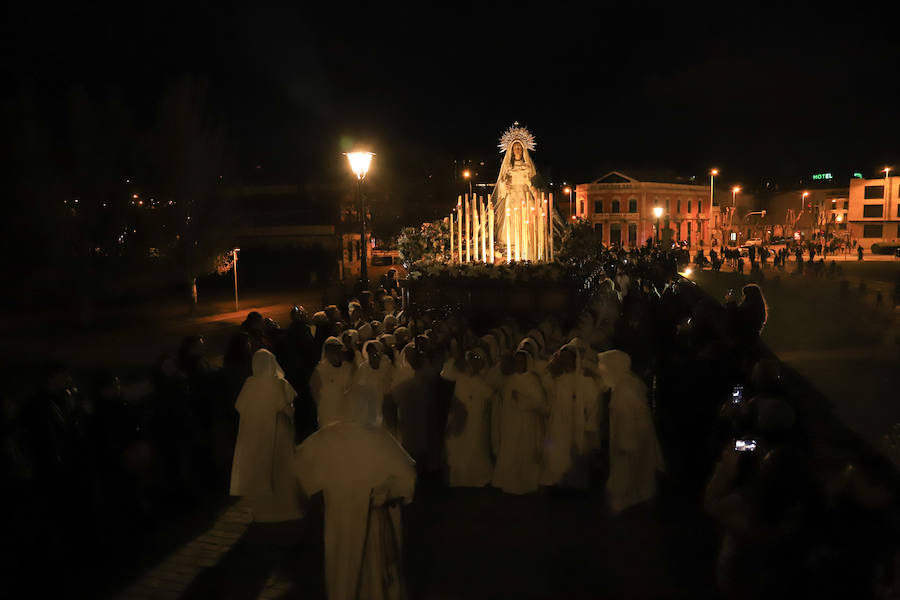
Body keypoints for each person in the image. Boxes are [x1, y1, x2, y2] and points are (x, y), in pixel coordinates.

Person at [294, 405, 416, 600]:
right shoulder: (380, 439)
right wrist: (386, 492)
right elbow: (407, 476)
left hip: (338, 516)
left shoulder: (327, 436)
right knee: (373, 565)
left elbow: (301, 463)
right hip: (373, 516)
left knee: (343, 565)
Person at [229, 349, 303, 523]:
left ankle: (262, 511)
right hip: (278, 435)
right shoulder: (279, 384)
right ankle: (284, 509)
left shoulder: (249, 384)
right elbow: (288, 409)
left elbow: (240, 407)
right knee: (280, 470)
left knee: (260, 469)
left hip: (255, 437)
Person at [597, 349, 664, 514]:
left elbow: (627, 420)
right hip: (636, 441)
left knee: (626, 475)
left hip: (629, 443)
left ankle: (622, 505)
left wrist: (625, 444)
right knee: (638, 473)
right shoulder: (628, 383)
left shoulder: (623, 392)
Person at [540, 344, 599, 489]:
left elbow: (591, 404)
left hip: (575, 424)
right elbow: (547, 394)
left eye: (568, 358)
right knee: (555, 454)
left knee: (572, 456)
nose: (565, 362)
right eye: (563, 358)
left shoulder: (583, 380)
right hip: (556, 423)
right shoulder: (557, 379)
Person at [492, 348, 547, 494]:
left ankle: (525, 484)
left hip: (526, 422)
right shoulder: (509, 378)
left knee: (525, 452)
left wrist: (521, 399)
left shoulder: (532, 379)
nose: (519, 364)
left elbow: (539, 401)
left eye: (521, 362)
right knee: (510, 450)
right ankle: (508, 483)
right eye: (516, 362)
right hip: (510, 421)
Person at [444, 349, 494, 488]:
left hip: (475, 417)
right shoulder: (459, 377)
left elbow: (488, 394)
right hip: (459, 417)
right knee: (459, 447)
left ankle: (477, 477)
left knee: (475, 444)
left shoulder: (480, 378)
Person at [311, 337, 356, 428]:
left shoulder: (348, 368)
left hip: (345, 412)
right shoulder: (320, 370)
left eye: (337, 350)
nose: (335, 354)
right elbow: (315, 392)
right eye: (331, 351)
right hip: (327, 412)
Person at [354, 341, 393, 427]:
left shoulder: (387, 365)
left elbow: (389, 383)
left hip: (383, 402)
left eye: (374, 351)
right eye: (370, 352)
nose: (372, 354)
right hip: (368, 405)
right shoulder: (363, 367)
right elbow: (359, 385)